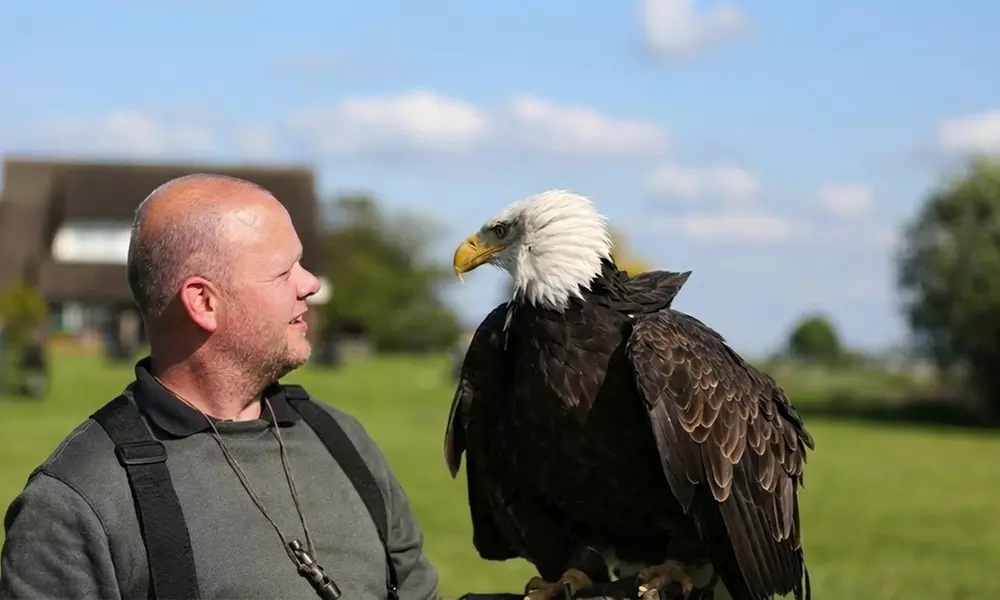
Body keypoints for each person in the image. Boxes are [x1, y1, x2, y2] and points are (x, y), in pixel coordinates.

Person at [0, 174, 441, 600]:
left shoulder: (343, 440)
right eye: (284, 271)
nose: (311, 284)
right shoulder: (75, 503)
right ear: (204, 303)